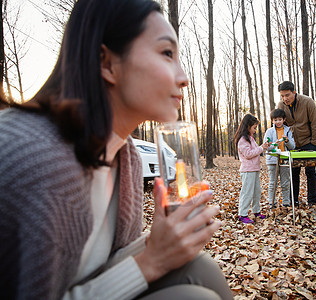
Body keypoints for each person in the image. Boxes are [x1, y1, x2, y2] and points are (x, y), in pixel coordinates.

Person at [0, 1, 233, 299]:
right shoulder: (43, 159)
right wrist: (152, 260)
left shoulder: (126, 155)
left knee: (201, 268)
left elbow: (104, 266)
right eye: (167, 54)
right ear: (106, 63)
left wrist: (160, 242)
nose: (184, 77)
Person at [277, 81, 316, 207]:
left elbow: (315, 123)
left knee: (310, 171)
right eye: (282, 96)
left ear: (294, 92)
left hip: (308, 142)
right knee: (294, 172)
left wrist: (314, 142)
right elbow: (280, 125)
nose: (285, 99)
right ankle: (293, 200)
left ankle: (312, 200)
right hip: (292, 144)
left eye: (287, 95)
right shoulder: (281, 105)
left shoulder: (308, 102)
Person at [234, 114, 269, 224]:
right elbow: (248, 154)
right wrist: (261, 148)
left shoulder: (251, 139)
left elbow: (256, 150)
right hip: (247, 170)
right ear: (247, 126)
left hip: (254, 169)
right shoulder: (242, 140)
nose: (255, 130)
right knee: (247, 193)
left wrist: (265, 146)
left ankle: (256, 211)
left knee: (256, 192)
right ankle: (242, 214)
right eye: (254, 127)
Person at [263, 109, 295, 208]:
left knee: (285, 182)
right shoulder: (269, 131)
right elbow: (266, 146)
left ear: (284, 119)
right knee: (273, 182)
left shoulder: (288, 130)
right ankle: (271, 202)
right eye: (275, 120)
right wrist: (273, 144)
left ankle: (286, 202)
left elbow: (292, 146)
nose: (278, 122)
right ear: (272, 121)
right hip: (272, 160)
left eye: (280, 119)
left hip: (284, 159)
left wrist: (287, 141)